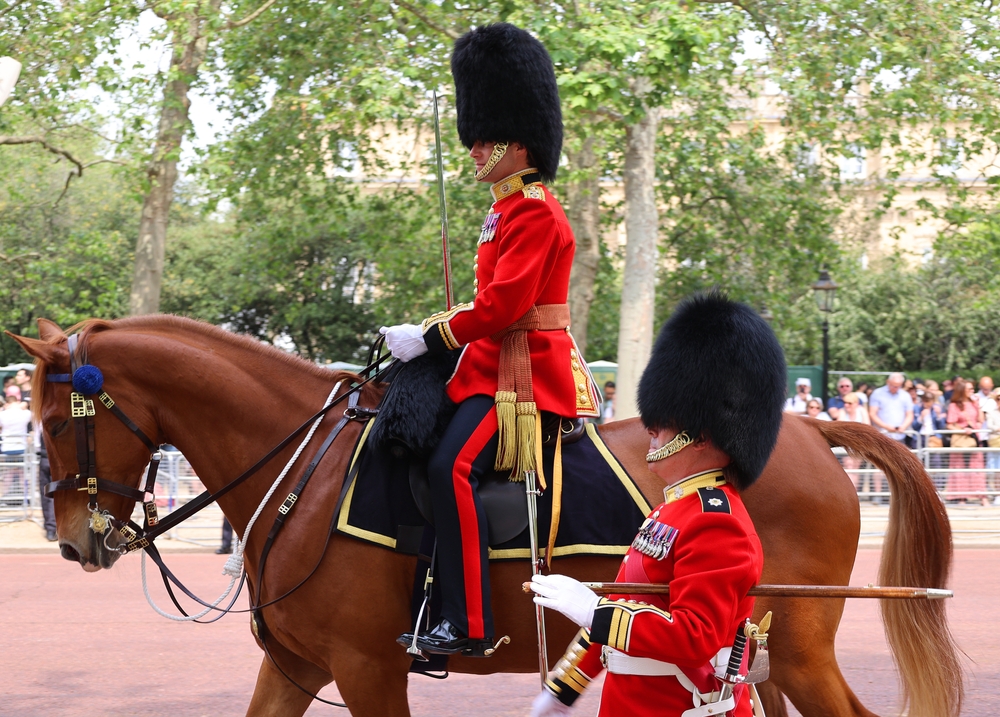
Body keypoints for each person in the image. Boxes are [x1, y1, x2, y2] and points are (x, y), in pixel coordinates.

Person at [387, 23, 600, 656]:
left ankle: (469, 623)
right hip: (485, 366)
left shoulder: (535, 208)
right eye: (474, 140)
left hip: (523, 378)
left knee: (449, 465)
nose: (475, 152)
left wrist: (431, 334)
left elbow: (505, 306)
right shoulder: (503, 208)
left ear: (521, 142)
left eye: (487, 141)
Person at [528, 292, 785, 717]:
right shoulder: (670, 511)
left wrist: (594, 611)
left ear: (700, 437)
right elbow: (622, 601)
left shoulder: (718, 524)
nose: (651, 434)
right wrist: (565, 688)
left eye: (662, 428)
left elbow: (693, 638)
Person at [945, 379, 988, 506]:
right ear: (962, 390)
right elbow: (949, 424)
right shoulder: (954, 405)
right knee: (959, 467)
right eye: (969, 389)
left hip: (974, 440)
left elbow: (980, 420)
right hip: (961, 440)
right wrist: (962, 430)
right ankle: (961, 496)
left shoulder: (974, 403)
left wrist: (978, 404)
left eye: (972, 389)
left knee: (977, 467)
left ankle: (981, 496)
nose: (972, 391)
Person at [912, 390, 947, 491]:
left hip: (933, 438)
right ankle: (919, 489)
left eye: (930, 401)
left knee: (936, 464)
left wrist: (939, 416)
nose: (928, 404)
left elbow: (941, 426)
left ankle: (937, 490)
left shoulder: (937, 408)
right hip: (920, 438)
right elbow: (914, 426)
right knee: (918, 465)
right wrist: (921, 418)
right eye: (926, 401)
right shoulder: (917, 408)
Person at [837, 392, 871, 492]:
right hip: (845, 445)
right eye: (845, 402)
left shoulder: (862, 411)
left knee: (853, 468)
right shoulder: (842, 411)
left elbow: (867, 427)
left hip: (858, 445)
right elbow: (839, 427)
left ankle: (854, 493)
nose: (846, 405)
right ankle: (851, 493)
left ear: (856, 403)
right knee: (848, 466)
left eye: (849, 403)